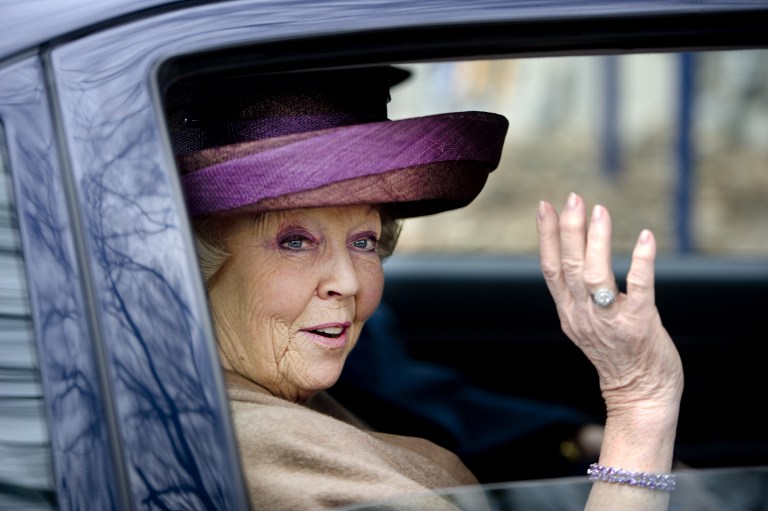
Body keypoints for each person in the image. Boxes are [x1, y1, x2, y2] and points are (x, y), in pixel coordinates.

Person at [166, 66, 684, 510]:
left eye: (365, 241)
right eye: (295, 242)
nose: (347, 281)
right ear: (200, 257)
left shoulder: (262, 396)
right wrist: (640, 405)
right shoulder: (266, 461)